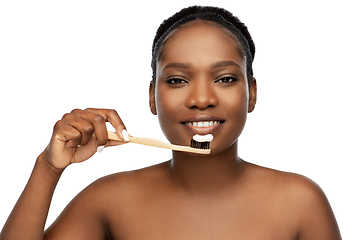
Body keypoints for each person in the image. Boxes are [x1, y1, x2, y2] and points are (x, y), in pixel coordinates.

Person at [0, 5, 341, 240]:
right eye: (178, 80)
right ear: (152, 96)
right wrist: (48, 167)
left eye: (224, 78)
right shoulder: (109, 201)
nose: (201, 98)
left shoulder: (300, 202)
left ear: (252, 94)